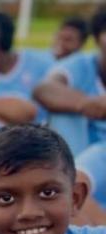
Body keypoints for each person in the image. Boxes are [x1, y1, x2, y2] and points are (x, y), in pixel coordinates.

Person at [34, 7, 106, 156]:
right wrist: (87, 104)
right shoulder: (82, 64)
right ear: (98, 38)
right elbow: (44, 89)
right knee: (63, 111)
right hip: (84, 156)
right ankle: (71, 168)